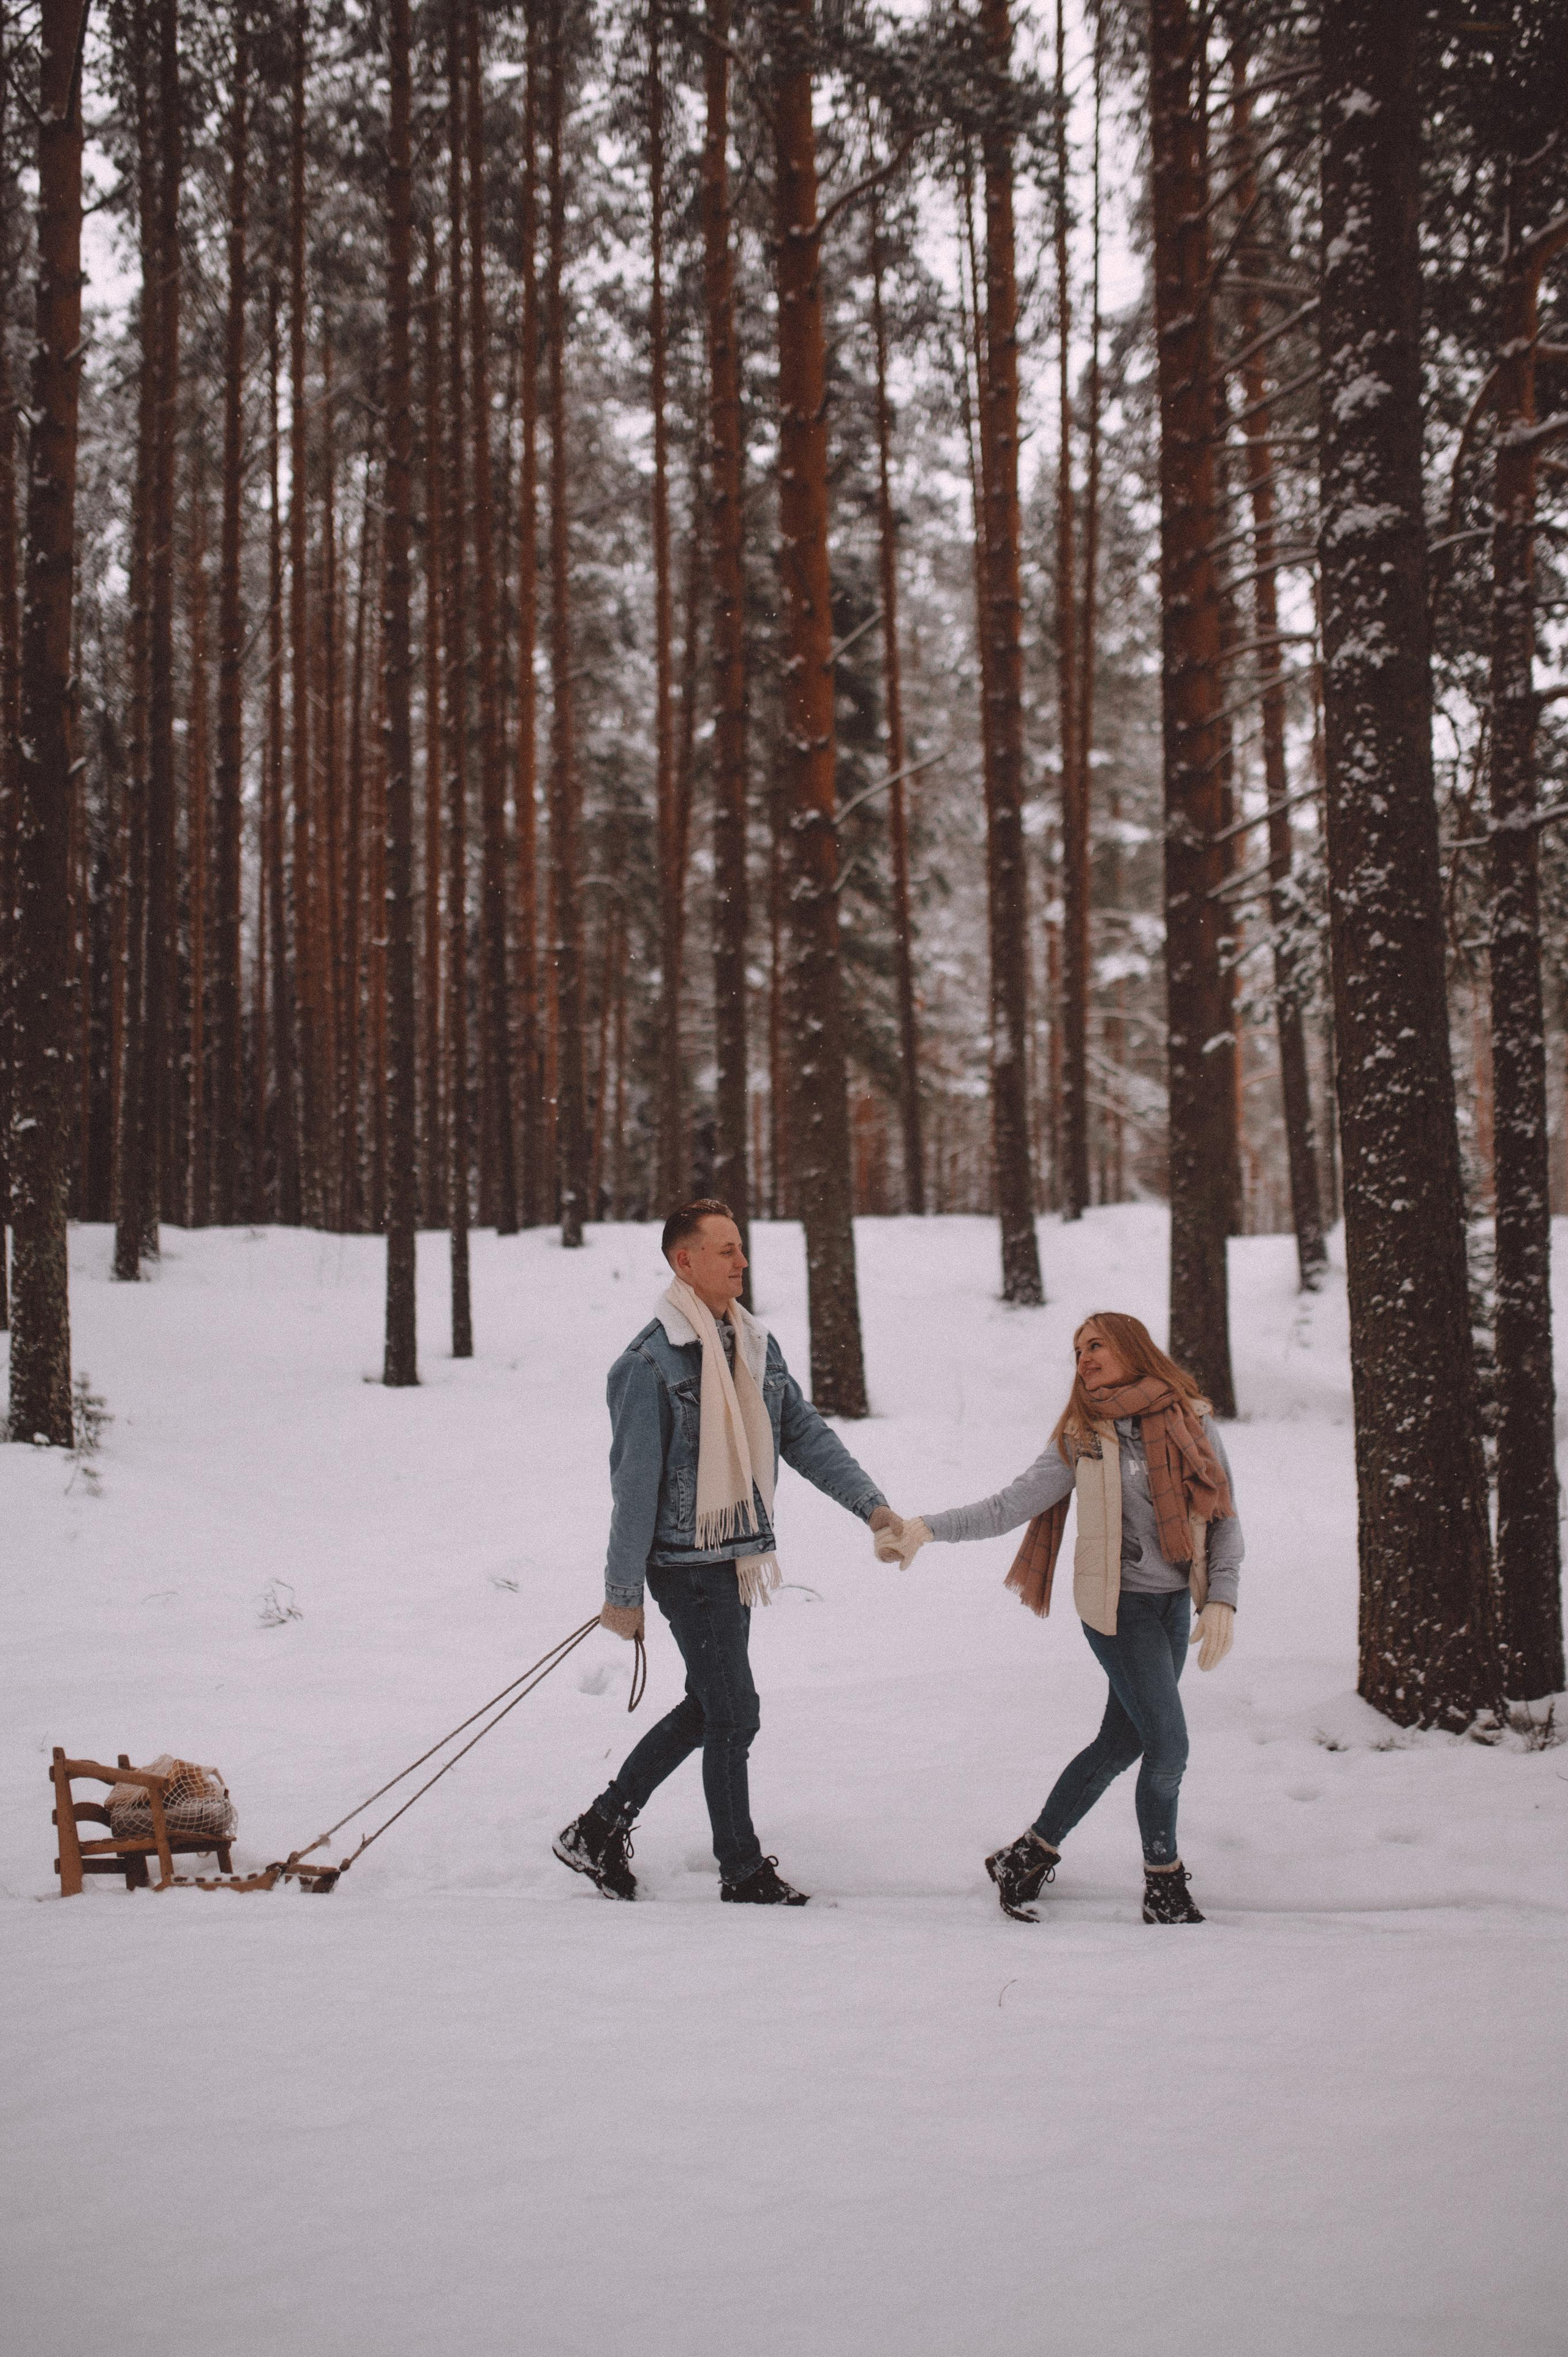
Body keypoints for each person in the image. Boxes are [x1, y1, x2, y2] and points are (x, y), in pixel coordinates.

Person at [555, 1200, 903, 1907]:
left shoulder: (752, 1344)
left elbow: (802, 1434)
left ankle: (597, 1828)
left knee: (712, 1705)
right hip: (684, 1566)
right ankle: (740, 1869)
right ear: (684, 1261)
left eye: (741, 1248)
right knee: (734, 1713)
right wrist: (622, 1594)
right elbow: (634, 1490)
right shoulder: (647, 1365)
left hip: (736, 1557)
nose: (741, 1261)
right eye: (725, 1251)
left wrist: (872, 1506)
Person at [882, 1312, 1241, 1926]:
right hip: (1117, 1609)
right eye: (1076, 1350)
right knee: (1168, 1744)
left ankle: (1025, 1855)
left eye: (1095, 1345)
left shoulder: (1191, 1419)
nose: (1083, 1358)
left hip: (1173, 1604)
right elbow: (1008, 1505)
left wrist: (1222, 1597)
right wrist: (926, 1528)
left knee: (1121, 1741)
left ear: (1131, 1347)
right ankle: (1163, 1883)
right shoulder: (1082, 1436)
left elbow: (1225, 1512)